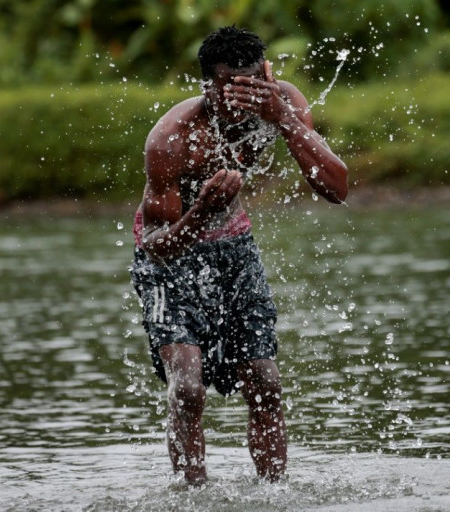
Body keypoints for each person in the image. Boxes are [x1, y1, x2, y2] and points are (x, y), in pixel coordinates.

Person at [129, 26, 348, 485]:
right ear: (208, 86)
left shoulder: (281, 102)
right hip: (172, 253)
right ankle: (194, 495)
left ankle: (274, 494)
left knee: (265, 381)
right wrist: (200, 212)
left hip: (234, 245)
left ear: (266, 76)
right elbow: (156, 246)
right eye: (229, 89)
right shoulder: (172, 139)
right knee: (188, 387)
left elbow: (336, 188)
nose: (241, 101)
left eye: (252, 85)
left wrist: (281, 116)